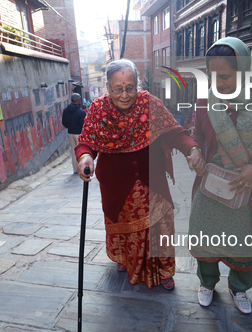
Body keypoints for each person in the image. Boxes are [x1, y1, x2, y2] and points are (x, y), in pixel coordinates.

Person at [76, 59, 204, 290]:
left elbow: (174, 132)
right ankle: (127, 260)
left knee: (161, 225)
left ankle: (164, 270)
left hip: (151, 181)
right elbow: (86, 142)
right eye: (118, 89)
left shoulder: (150, 105)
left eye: (130, 88)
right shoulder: (98, 110)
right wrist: (85, 157)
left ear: (138, 85)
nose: (125, 95)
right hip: (117, 185)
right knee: (127, 230)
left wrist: (192, 149)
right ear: (108, 88)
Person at [188, 37, 252, 314]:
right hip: (211, 187)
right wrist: (195, 150)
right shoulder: (204, 97)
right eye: (213, 76)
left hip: (250, 189)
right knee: (207, 239)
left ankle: (239, 287)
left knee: (246, 242)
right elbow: (197, 133)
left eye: (225, 76)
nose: (218, 84)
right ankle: (207, 282)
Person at [62, 93, 87, 174]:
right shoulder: (81, 112)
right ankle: (82, 167)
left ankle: (75, 169)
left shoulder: (66, 111)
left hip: (70, 132)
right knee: (81, 150)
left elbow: (64, 122)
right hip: (79, 133)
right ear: (78, 100)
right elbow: (83, 125)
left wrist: (70, 127)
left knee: (73, 151)